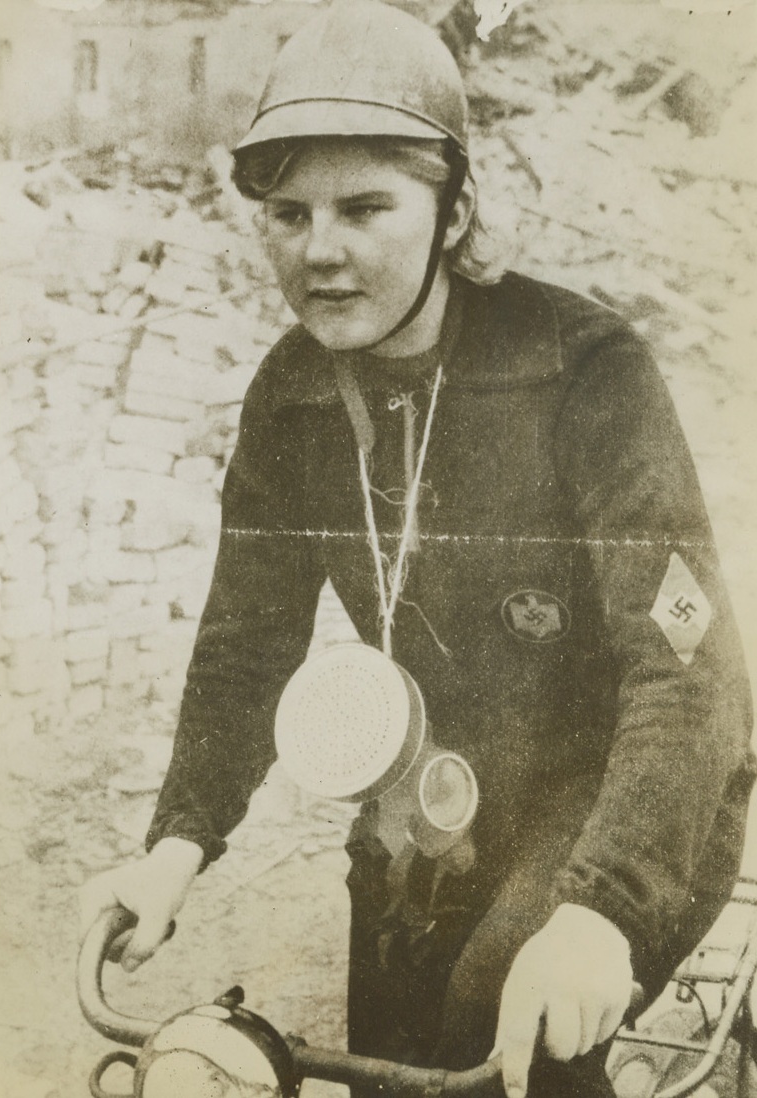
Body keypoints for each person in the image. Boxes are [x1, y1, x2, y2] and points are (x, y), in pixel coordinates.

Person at [79, 3, 755, 1096]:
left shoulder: (586, 367)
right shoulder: (290, 394)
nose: (321, 251)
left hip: (627, 798)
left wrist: (601, 910)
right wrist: (172, 852)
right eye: (288, 214)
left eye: (364, 208)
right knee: (384, 1065)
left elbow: (686, 675)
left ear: (452, 210)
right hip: (425, 797)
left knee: (505, 1019)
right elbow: (245, 645)